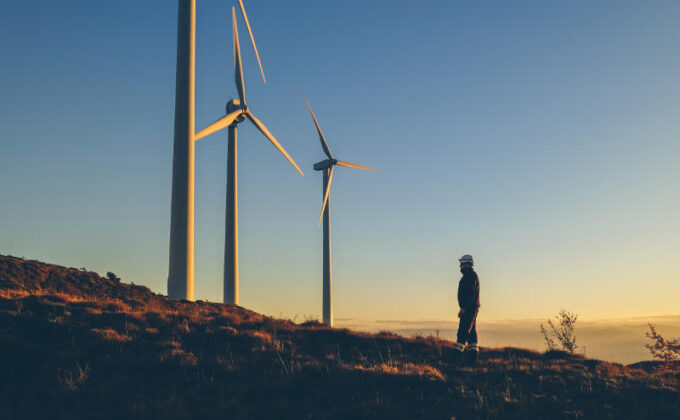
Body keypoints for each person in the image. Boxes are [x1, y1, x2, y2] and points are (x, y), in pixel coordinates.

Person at [452, 254, 480, 363]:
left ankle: (455, 357)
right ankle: (472, 357)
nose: (460, 266)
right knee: (471, 332)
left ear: (468, 264)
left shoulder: (470, 276)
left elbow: (470, 295)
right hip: (471, 308)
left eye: (462, 264)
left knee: (463, 331)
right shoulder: (471, 276)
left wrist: (464, 308)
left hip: (469, 309)